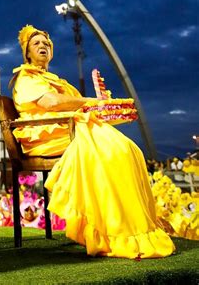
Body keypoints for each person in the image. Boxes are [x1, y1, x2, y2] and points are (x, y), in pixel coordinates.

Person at [10, 24, 175, 259]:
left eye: (46, 43)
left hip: (67, 130)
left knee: (127, 149)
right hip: (45, 135)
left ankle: (126, 226)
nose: (42, 46)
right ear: (27, 52)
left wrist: (98, 105)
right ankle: (114, 231)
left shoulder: (54, 79)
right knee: (111, 150)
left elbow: (73, 103)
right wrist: (92, 102)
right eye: (36, 44)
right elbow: (50, 103)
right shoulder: (26, 77)